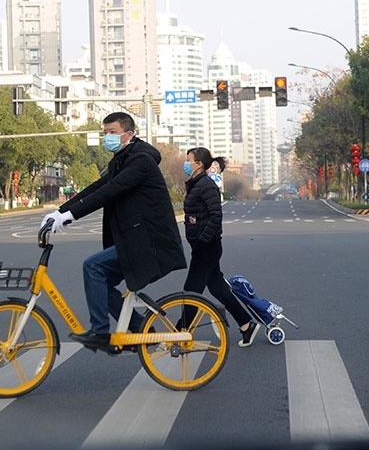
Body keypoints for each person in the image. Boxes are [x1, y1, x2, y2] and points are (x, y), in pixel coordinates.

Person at [42, 112, 186, 350]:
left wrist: (70, 216)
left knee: (93, 266)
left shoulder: (140, 161)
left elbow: (111, 191)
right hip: (136, 239)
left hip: (149, 242)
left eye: (112, 133)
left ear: (129, 135)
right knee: (101, 282)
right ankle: (141, 328)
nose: (107, 137)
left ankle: (100, 332)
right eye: (105, 132)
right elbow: (98, 187)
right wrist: (60, 212)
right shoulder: (122, 160)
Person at [182, 147, 260, 347]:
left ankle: (179, 333)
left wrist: (203, 239)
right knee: (217, 288)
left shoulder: (206, 185)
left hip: (206, 246)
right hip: (202, 245)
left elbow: (216, 215)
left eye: (188, 160)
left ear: (198, 164)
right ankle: (246, 324)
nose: (186, 163)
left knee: (191, 290)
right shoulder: (196, 184)